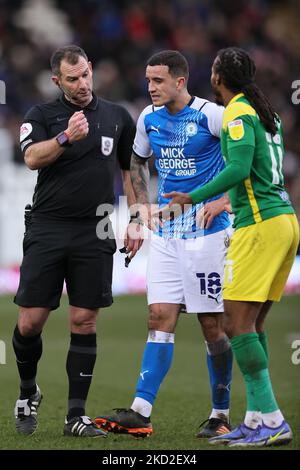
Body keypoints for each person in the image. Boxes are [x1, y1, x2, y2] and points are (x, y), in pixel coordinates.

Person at [164, 47, 300, 447]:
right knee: (253, 326)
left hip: (259, 226)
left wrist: (191, 197)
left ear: (217, 77)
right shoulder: (266, 112)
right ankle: (256, 420)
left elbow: (239, 170)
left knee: (234, 326)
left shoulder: (238, 114)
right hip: (284, 221)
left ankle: (273, 419)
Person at [95, 50, 233, 438]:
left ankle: (220, 415)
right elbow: (136, 163)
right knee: (159, 318)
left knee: (211, 324)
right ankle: (140, 411)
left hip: (208, 232)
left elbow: (251, 153)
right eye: (147, 80)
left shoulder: (212, 115)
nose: (150, 87)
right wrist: (139, 216)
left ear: (180, 81)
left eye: (157, 80)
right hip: (168, 233)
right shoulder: (148, 119)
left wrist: (225, 201)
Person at [13, 45, 136, 437]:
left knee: (84, 320)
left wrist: (135, 219)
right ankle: (28, 391)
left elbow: (131, 170)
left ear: (91, 70)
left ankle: (75, 417)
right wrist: (66, 136)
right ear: (57, 81)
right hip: (48, 226)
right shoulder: (41, 115)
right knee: (30, 323)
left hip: (96, 227)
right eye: (72, 78)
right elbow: (32, 158)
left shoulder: (117, 116)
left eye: (85, 74)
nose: (82, 84)